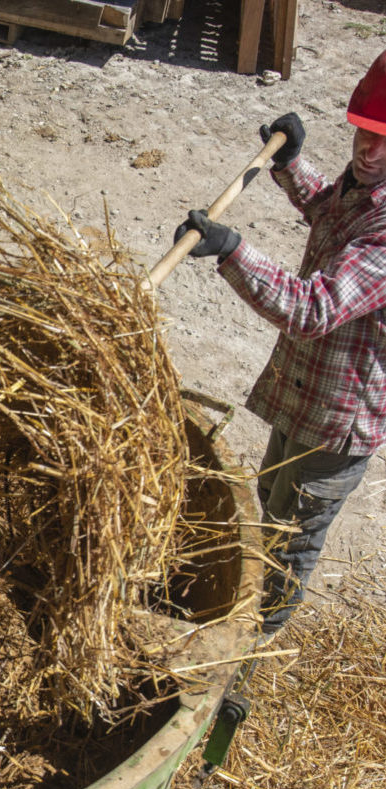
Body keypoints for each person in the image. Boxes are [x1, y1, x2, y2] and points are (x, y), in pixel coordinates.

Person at [174, 50, 386, 634]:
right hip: (305, 395)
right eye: (364, 133)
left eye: (384, 140)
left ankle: (247, 653)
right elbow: (328, 211)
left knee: (289, 545)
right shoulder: (367, 186)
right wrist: (291, 162)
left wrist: (231, 250)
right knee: (269, 501)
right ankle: (234, 619)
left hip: (337, 424)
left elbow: (311, 308)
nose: (369, 151)